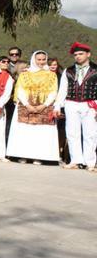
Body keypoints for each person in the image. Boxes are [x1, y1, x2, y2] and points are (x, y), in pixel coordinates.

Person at [6, 50, 59, 164]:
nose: (41, 62)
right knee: (25, 131)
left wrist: (44, 105)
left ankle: (38, 156)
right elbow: (20, 89)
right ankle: (23, 155)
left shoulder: (51, 74)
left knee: (40, 133)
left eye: (43, 59)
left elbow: (53, 91)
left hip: (44, 105)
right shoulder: (25, 74)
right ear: (33, 59)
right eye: (38, 59)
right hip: (26, 105)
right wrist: (27, 104)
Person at [54, 43, 97, 171]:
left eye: (80, 54)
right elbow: (62, 90)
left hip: (90, 104)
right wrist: (57, 106)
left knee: (91, 134)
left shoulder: (96, 69)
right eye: (76, 54)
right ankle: (75, 160)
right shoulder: (68, 70)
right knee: (72, 133)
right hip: (71, 103)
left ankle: (90, 162)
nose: (78, 56)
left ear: (88, 54)